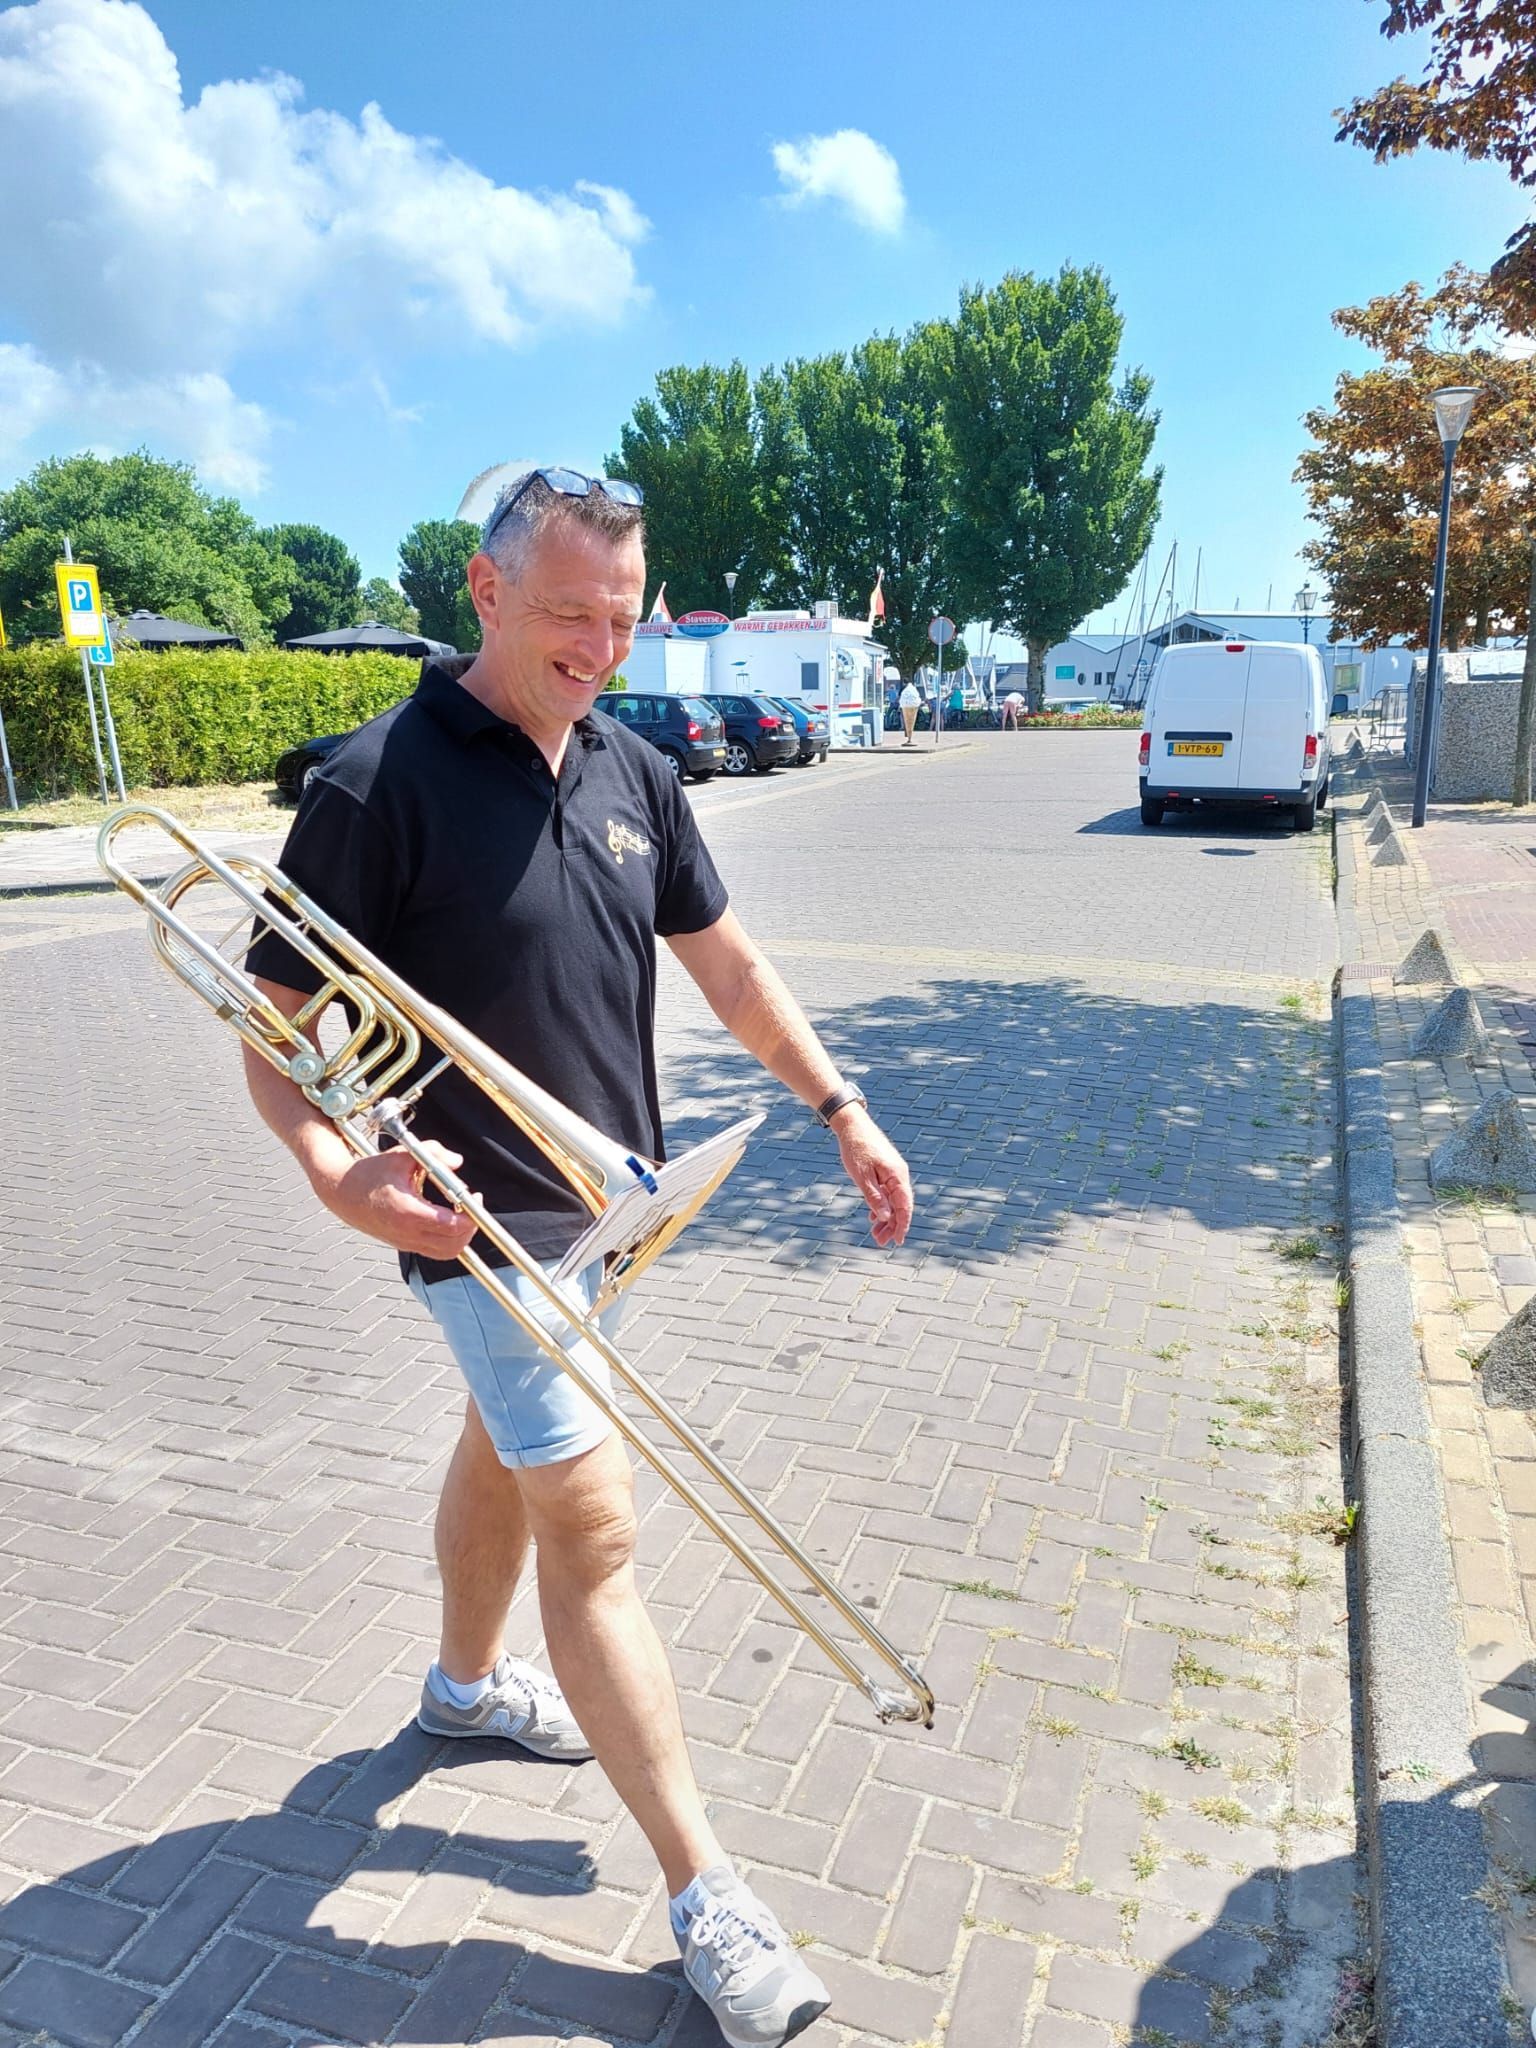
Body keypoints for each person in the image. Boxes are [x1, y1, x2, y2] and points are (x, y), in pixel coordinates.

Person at [242, 467, 915, 2048]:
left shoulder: (635, 769)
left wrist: (841, 1106)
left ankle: (464, 1690)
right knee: (593, 1523)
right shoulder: (374, 784)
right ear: (485, 593)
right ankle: (706, 1894)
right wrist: (341, 1179)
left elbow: (727, 968)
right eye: (569, 616)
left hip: (612, 1211)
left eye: (622, 619)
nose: (601, 648)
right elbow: (271, 1029)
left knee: (506, 1448)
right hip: (475, 1226)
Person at [898, 677, 921, 744]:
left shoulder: (903, 689)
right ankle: (908, 736)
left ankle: (908, 735)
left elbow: (900, 697)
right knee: (910, 721)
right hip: (913, 705)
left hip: (905, 705)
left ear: (903, 682)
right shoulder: (913, 689)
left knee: (906, 720)